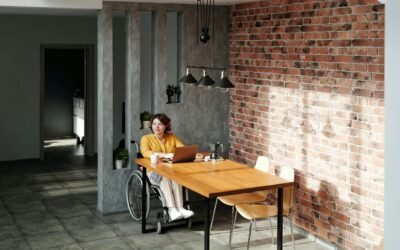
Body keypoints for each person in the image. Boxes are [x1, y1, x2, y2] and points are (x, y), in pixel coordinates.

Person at [140, 113, 195, 221]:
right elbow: (145, 152)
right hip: (152, 172)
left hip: (169, 170)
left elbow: (183, 149)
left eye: (160, 124)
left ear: (166, 126)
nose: (156, 127)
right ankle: (171, 209)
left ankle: (180, 208)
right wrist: (165, 155)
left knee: (176, 177)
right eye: (154, 124)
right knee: (165, 178)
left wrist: (191, 153)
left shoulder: (172, 137)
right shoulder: (146, 138)